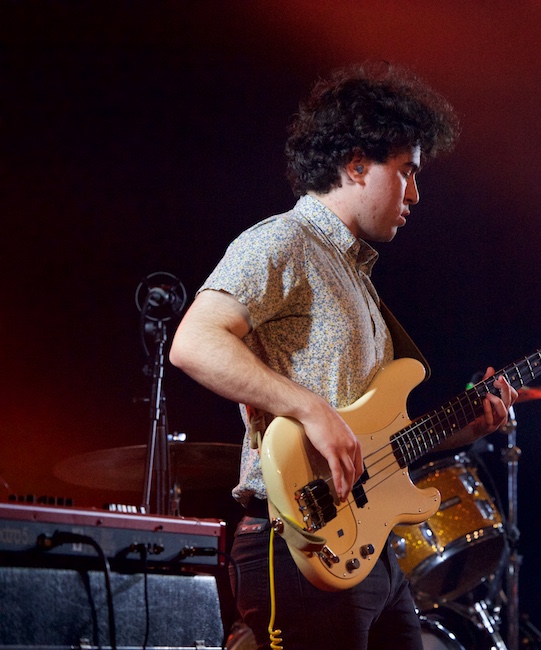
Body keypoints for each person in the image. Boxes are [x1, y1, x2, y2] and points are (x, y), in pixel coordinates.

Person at [169, 62, 517, 650]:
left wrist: (462, 429)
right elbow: (193, 343)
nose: (415, 193)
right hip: (297, 541)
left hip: (370, 551)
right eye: (406, 172)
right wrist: (311, 409)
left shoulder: (359, 281)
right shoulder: (283, 240)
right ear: (357, 163)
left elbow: (374, 440)